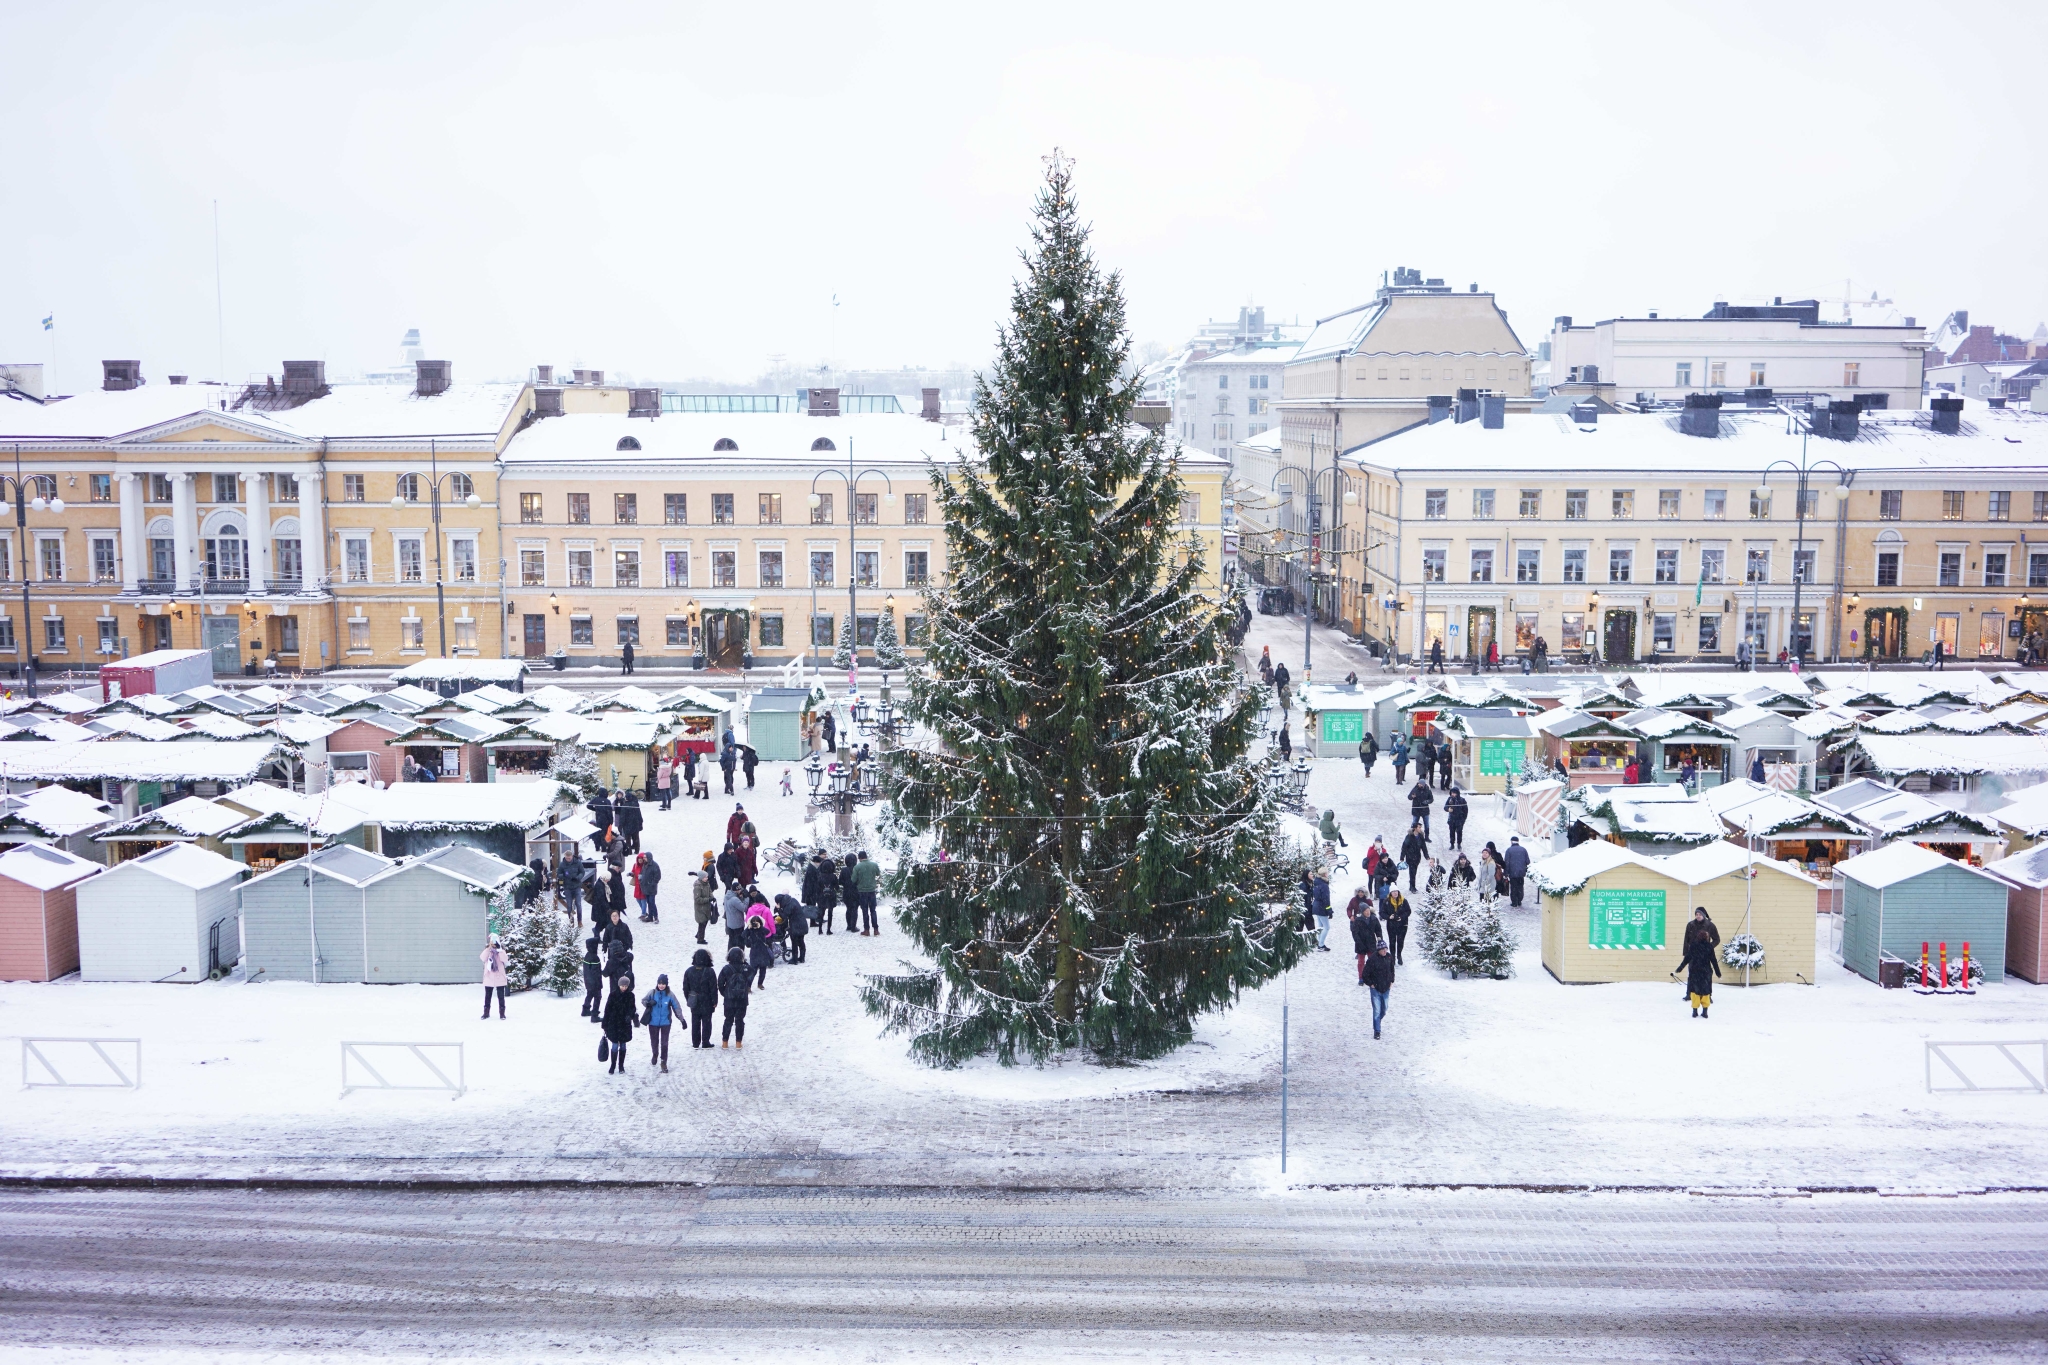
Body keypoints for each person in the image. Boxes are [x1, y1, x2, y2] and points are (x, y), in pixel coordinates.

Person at [1675, 925, 1721, 1018]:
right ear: (1707, 937)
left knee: (1695, 992)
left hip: (1695, 972)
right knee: (1705, 992)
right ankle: (1705, 1012)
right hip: (1706, 972)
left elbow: (1687, 958)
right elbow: (1714, 960)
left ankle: (1695, 1011)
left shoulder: (1693, 946)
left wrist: (1680, 968)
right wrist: (1717, 972)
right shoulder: (1709, 947)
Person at [641, 974, 680, 1071]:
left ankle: (663, 1062)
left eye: (663, 984)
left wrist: (682, 1019)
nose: (661, 985)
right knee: (654, 1042)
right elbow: (643, 1000)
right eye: (659, 983)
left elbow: (676, 1007)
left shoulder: (670, 995)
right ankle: (655, 1054)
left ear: (666, 984)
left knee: (664, 1043)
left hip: (665, 1023)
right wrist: (648, 1003)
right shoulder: (652, 993)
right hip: (653, 1023)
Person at [682, 948, 719, 1050]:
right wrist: (714, 1001)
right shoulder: (710, 971)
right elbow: (713, 988)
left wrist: (689, 998)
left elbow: (685, 988)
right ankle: (705, 1041)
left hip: (694, 1000)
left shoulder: (689, 971)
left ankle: (695, 1042)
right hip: (707, 1000)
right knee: (707, 1022)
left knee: (695, 1022)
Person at [602, 973, 637, 1073]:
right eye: (622, 986)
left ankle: (621, 1066)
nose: (624, 988)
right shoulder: (613, 995)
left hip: (624, 1024)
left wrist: (629, 1016)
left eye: (626, 986)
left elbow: (632, 1008)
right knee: (614, 1045)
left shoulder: (630, 996)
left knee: (623, 1045)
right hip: (613, 1023)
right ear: (619, 985)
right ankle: (613, 1066)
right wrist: (605, 1023)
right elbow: (607, 1009)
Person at [718, 947, 751, 1048]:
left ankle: (725, 1042)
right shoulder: (745, 968)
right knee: (740, 1021)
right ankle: (738, 1042)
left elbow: (720, 983)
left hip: (729, 1000)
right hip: (742, 999)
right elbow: (750, 976)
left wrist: (726, 993)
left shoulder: (726, 968)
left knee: (728, 1020)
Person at [1348, 894, 1383, 984]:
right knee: (1361, 962)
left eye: (1368, 910)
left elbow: (1378, 930)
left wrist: (1379, 939)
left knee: (1372, 961)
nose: (1367, 912)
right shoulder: (1358, 920)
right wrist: (1359, 942)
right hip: (1361, 944)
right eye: (1365, 911)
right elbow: (1355, 933)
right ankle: (1361, 977)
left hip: (1371, 943)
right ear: (1362, 911)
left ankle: (1372, 976)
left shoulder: (1374, 919)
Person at [1363, 942, 1396, 1039]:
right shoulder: (1372, 959)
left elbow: (1392, 970)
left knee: (1384, 1009)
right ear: (1379, 950)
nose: (1385, 951)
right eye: (1383, 949)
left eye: (1386, 949)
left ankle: (1377, 1022)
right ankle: (1377, 1031)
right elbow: (1365, 973)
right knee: (1377, 1010)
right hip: (1376, 989)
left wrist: (1391, 981)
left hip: (1386, 988)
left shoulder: (1389, 958)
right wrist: (1371, 984)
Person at [479, 935, 509, 1019]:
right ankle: (486, 1013)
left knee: (501, 996)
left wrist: (500, 950)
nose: (494, 945)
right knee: (487, 996)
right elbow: (482, 958)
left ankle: (502, 1013)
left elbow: (505, 959)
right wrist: (489, 948)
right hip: (489, 976)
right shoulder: (488, 950)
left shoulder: (501, 951)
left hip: (499, 976)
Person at [1380, 889, 1411, 967]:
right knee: (1392, 941)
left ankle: (1399, 955)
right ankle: (1393, 957)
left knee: (1400, 941)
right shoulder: (1386, 901)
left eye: (1396, 892)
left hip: (1402, 924)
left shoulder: (1404, 901)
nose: (1395, 893)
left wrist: (1402, 917)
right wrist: (1389, 917)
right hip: (1391, 925)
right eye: (1393, 892)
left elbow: (1408, 911)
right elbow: (1382, 912)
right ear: (1390, 893)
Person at [854, 849, 882, 935]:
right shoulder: (874, 865)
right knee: (873, 910)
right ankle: (876, 929)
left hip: (862, 891)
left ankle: (867, 930)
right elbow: (878, 873)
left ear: (859, 858)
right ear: (866, 857)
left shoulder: (857, 867)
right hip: (872, 891)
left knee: (865, 911)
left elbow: (853, 879)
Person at [744, 907, 773, 991]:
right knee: (753, 971)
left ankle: (760, 984)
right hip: (754, 952)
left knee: (763, 970)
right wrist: (748, 928)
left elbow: (767, 932)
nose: (755, 924)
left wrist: (760, 927)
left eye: (757, 923)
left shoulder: (762, 930)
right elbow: (743, 935)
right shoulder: (750, 930)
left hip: (763, 952)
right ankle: (748, 986)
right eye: (753, 923)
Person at [692, 854, 718, 944]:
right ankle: (700, 939)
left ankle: (699, 935)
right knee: (702, 923)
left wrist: (712, 897)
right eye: (706, 877)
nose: (707, 878)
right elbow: (697, 899)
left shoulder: (706, 883)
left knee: (705, 922)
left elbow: (710, 891)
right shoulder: (698, 886)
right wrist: (708, 899)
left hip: (705, 908)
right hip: (700, 909)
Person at [632, 851, 661, 923]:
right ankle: (650, 917)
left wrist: (652, 883)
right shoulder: (645, 865)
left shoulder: (655, 865)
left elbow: (657, 876)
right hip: (645, 888)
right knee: (649, 902)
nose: (643, 858)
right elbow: (641, 873)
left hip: (651, 888)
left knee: (651, 902)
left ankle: (656, 917)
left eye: (645, 857)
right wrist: (641, 880)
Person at [1400, 822, 1428, 893]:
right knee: (1412, 872)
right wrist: (1402, 857)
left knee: (1414, 872)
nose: (1420, 829)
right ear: (1415, 828)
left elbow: (1424, 847)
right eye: (1419, 827)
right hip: (1410, 857)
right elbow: (1404, 847)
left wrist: (1426, 856)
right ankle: (1412, 886)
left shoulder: (1421, 836)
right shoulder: (1409, 837)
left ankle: (1412, 886)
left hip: (1417, 857)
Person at [782, 890, 809, 963]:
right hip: (802, 924)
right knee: (801, 941)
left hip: (795, 926)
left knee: (794, 942)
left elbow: (784, 916)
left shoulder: (789, 906)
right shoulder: (793, 900)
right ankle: (802, 958)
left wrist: (778, 909)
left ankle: (794, 959)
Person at [1503, 835, 1530, 909]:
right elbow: (1528, 861)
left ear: (1511, 842)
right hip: (1521, 873)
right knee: (1520, 886)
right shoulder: (1523, 850)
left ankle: (1514, 902)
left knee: (1513, 887)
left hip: (1512, 873)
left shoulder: (1509, 850)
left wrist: (1505, 873)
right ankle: (1519, 900)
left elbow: (1506, 862)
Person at [1310, 868, 1333, 951]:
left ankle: (1319, 943)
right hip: (1321, 907)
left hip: (1316, 906)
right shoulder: (1324, 885)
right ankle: (1321, 944)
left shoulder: (1316, 882)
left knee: (1320, 926)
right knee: (1326, 927)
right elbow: (1326, 899)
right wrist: (1329, 910)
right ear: (1324, 874)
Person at [840, 853, 861, 934]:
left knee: (848, 909)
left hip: (846, 892)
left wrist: (846, 883)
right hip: (856, 892)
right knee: (855, 909)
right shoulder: (857, 869)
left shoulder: (844, 870)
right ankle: (853, 926)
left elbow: (840, 881)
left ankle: (848, 925)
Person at [1444, 787, 1468, 851]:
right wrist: (1448, 809)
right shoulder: (1449, 799)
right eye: (1452, 793)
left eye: (1454, 793)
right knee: (1452, 832)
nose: (1453, 794)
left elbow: (1465, 811)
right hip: (1452, 819)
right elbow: (1445, 806)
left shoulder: (1462, 800)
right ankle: (1452, 844)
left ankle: (1459, 844)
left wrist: (1463, 819)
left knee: (1459, 832)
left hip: (1459, 819)